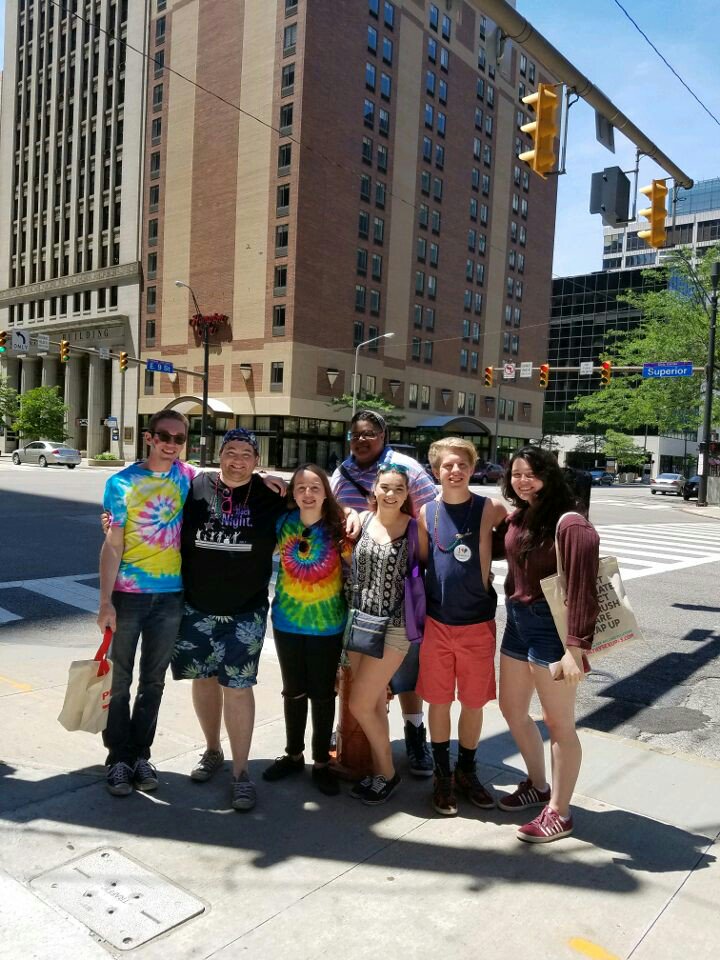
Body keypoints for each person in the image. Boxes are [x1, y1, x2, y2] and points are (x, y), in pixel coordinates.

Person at [171, 428, 288, 811]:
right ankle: (212, 750)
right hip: (196, 607)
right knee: (203, 680)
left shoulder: (270, 495)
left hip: (246, 611)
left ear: (257, 461)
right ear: (219, 454)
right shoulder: (195, 485)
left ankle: (241, 773)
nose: (237, 460)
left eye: (246, 454)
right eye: (231, 452)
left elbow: (315, 502)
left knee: (238, 687)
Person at [496, 445, 600, 843]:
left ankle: (559, 810)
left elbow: (583, 587)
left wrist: (575, 649)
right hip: (519, 624)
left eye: (531, 474)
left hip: (552, 630)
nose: (522, 481)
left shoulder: (570, 523)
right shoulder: (521, 516)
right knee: (512, 709)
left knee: (559, 725)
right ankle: (538, 785)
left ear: (549, 474)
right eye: (516, 474)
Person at [331, 409, 438, 776]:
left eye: (370, 434)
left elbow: (432, 519)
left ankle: (413, 734)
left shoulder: (407, 467)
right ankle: (351, 736)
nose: (362, 440)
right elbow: (330, 513)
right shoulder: (342, 471)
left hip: (396, 604)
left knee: (407, 677)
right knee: (358, 683)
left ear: (384, 435)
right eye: (356, 434)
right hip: (355, 596)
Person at [98, 409, 194, 796]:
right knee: (118, 680)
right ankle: (118, 759)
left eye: (179, 438)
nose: (171, 444)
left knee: (153, 682)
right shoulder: (120, 483)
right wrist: (105, 602)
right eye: (164, 436)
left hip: (171, 596)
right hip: (128, 596)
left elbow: (231, 481)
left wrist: (270, 479)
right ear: (149, 437)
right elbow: (112, 544)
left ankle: (140, 754)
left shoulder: (188, 478)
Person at [415, 438, 508, 816]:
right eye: (447, 466)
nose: (455, 471)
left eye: (462, 465)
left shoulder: (490, 508)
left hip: (478, 622)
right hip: (437, 622)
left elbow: (522, 526)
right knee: (438, 700)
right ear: (435, 471)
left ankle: (467, 770)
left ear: (473, 468)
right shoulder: (425, 513)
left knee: (472, 702)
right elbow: (422, 561)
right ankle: (443, 775)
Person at [262, 465, 350, 796]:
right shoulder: (284, 524)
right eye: (300, 487)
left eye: (315, 487)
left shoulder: (339, 529)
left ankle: (321, 762)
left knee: (323, 694)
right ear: (292, 492)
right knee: (293, 691)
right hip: (287, 621)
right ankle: (293, 754)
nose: (308, 493)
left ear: (326, 492)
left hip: (327, 624)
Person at [346, 463, 419, 805]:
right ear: (374, 489)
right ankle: (379, 771)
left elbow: (427, 577)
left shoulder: (415, 530)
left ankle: (388, 775)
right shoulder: (362, 521)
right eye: (385, 487)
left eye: (398, 489)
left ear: (407, 494)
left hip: (395, 627)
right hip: (359, 621)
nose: (391, 494)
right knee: (372, 702)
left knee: (359, 703)